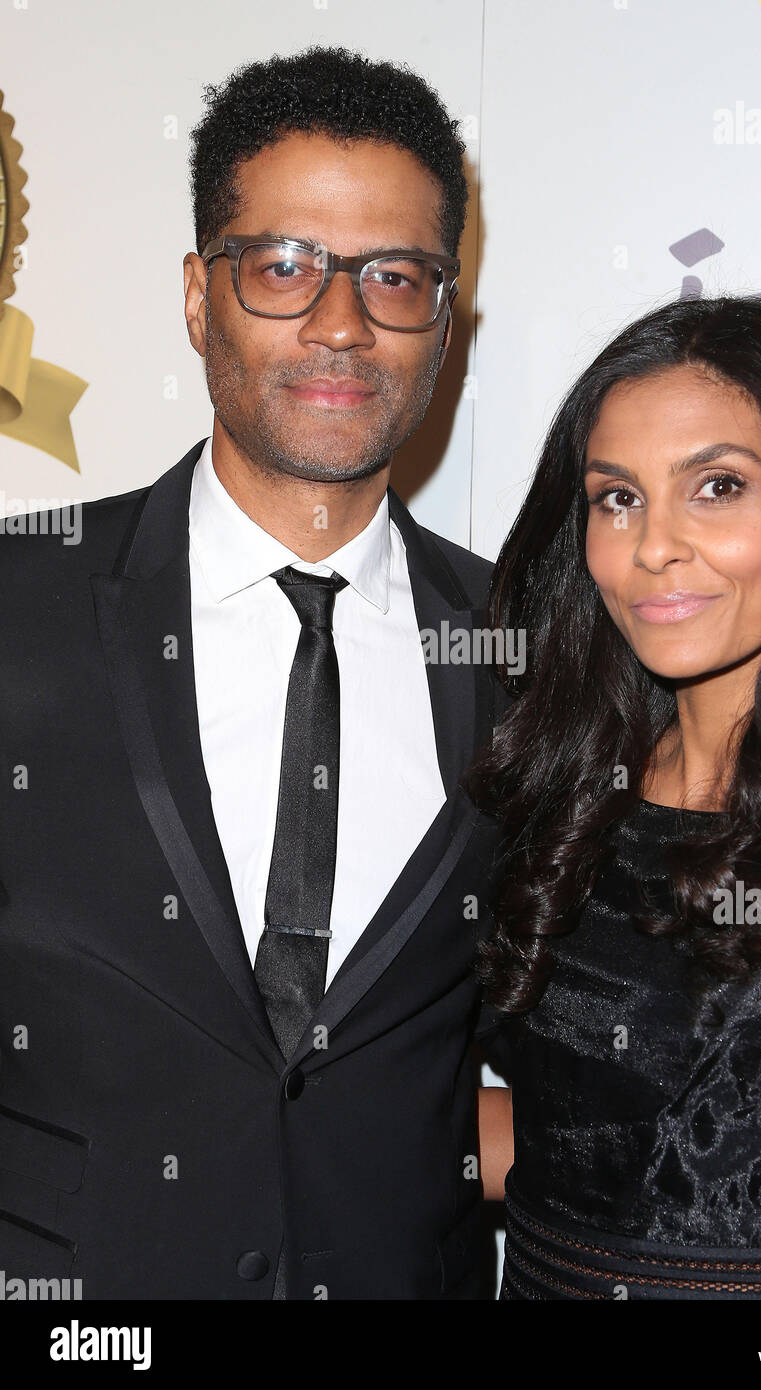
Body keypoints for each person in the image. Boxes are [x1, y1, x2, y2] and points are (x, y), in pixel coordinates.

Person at [0, 45, 509, 1299]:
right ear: (197, 294)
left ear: (445, 316)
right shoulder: (19, 597)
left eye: (395, 275)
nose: (340, 322)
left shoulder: (532, 648)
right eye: (282, 265)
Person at [468, 294, 761, 1299]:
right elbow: (574, 1143)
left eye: (716, 487)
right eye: (616, 498)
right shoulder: (565, 806)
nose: (652, 547)